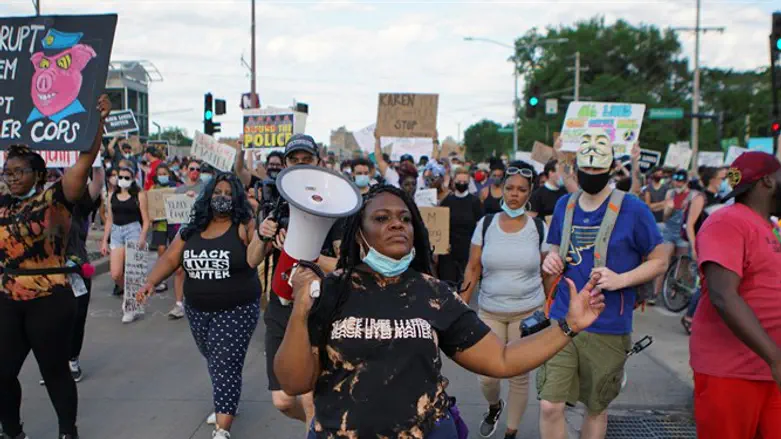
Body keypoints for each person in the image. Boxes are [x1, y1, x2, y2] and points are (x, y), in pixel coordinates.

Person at [273, 184, 607, 438]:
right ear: (358, 234)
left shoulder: (433, 294)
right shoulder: (331, 291)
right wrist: (301, 311)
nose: (397, 224)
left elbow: (502, 359)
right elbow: (293, 382)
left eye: (405, 218)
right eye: (381, 218)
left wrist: (569, 325)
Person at [538, 138, 667, 439]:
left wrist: (621, 279)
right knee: (549, 405)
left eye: (598, 168)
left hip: (609, 323)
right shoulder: (564, 205)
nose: (591, 173)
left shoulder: (632, 208)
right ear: (576, 168)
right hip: (564, 319)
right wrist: (551, 261)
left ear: (611, 168)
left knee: (596, 408)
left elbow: (660, 260)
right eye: (585, 168)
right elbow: (555, 249)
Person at [0, 94, 111, 439]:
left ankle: (67, 431)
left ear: (39, 173)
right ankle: (13, 431)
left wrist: (98, 122)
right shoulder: (2, 203)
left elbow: (85, 160)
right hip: (8, 295)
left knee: (54, 370)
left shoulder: (56, 197)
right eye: (7, 171)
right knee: (2, 372)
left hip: (50, 297)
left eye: (20, 171)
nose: (12, 177)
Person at [137, 173, 266, 439]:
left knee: (224, 363)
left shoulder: (243, 225)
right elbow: (171, 258)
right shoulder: (192, 228)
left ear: (237, 199)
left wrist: (262, 231)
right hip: (197, 310)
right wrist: (150, 282)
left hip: (237, 308)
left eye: (229, 194)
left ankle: (223, 428)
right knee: (215, 359)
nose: (223, 198)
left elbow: (257, 251)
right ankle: (227, 399)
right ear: (208, 196)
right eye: (217, 192)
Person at [689, 152, 781, 438]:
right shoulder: (727, 222)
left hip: (769, 373)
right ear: (767, 181)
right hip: (732, 373)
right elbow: (723, 295)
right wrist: (775, 358)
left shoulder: (771, 226)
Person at [259, 134, 340, 429]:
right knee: (282, 400)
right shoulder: (274, 206)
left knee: (309, 399)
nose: (301, 165)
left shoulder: (336, 205)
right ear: (286, 164)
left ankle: (316, 427)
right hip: (281, 309)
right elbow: (251, 258)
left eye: (308, 160)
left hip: (319, 309)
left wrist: (307, 257)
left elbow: (346, 265)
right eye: (295, 160)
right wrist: (262, 234)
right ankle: (321, 426)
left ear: (318, 162)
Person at [461, 163, 547, 438]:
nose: (514, 194)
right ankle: (494, 405)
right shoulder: (485, 224)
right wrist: (462, 304)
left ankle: (511, 432)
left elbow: (548, 271)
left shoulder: (538, 227)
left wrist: (546, 307)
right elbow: (473, 267)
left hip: (527, 312)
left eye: (521, 190)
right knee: (487, 374)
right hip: (490, 311)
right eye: (510, 188)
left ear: (529, 193)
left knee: (519, 377)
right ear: (502, 189)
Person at [101, 165, 150, 324]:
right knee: (116, 273)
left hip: (133, 230)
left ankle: (133, 305)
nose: (122, 180)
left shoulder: (139, 195)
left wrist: (142, 236)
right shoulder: (112, 195)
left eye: (126, 177)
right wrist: (104, 240)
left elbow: (146, 220)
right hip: (116, 232)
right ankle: (128, 295)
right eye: (120, 177)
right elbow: (109, 219)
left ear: (133, 178)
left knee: (134, 273)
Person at [168, 158, 205, 320]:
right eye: (192, 169)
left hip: (200, 230)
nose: (195, 172)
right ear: (186, 171)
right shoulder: (179, 190)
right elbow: (173, 212)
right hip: (182, 230)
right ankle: (178, 304)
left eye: (198, 169)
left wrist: (196, 197)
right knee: (179, 268)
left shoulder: (205, 188)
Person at [438, 166, 483, 285]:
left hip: (468, 249)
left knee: (465, 284)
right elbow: (440, 224)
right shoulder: (447, 201)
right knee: (448, 284)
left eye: (464, 182)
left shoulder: (475, 202)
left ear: (469, 182)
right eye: (459, 181)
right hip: (449, 250)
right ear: (454, 182)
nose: (461, 184)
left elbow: (479, 227)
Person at [150, 163, 179, 294]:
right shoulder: (153, 189)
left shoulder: (176, 187)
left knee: (175, 248)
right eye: (160, 174)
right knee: (161, 248)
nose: (162, 176)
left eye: (164, 174)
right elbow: (149, 205)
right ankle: (162, 279)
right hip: (159, 224)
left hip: (173, 223)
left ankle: (178, 271)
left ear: (169, 174)